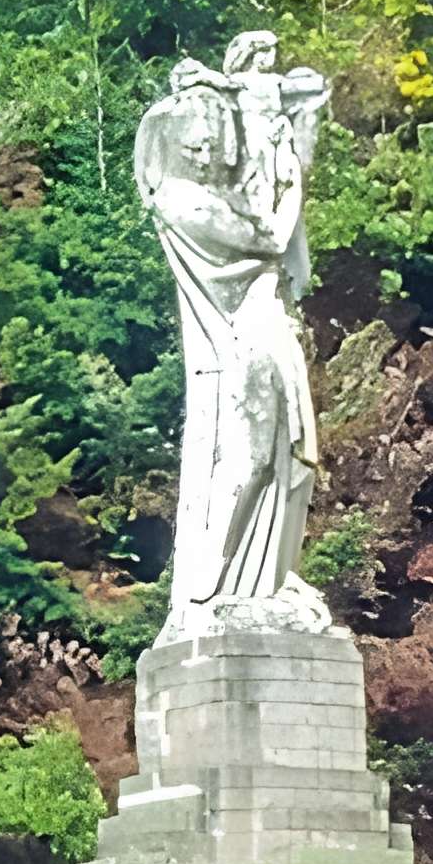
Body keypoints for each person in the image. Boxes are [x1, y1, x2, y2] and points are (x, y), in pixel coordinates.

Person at [133, 34, 335, 642]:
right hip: (241, 340)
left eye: (214, 135)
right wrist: (292, 179)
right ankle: (214, 586)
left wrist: (289, 140)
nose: (208, 147)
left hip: (267, 328)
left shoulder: (217, 192)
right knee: (248, 460)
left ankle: (267, 580)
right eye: (196, 137)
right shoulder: (183, 200)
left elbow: (264, 187)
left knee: (291, 465)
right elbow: (270, 235)